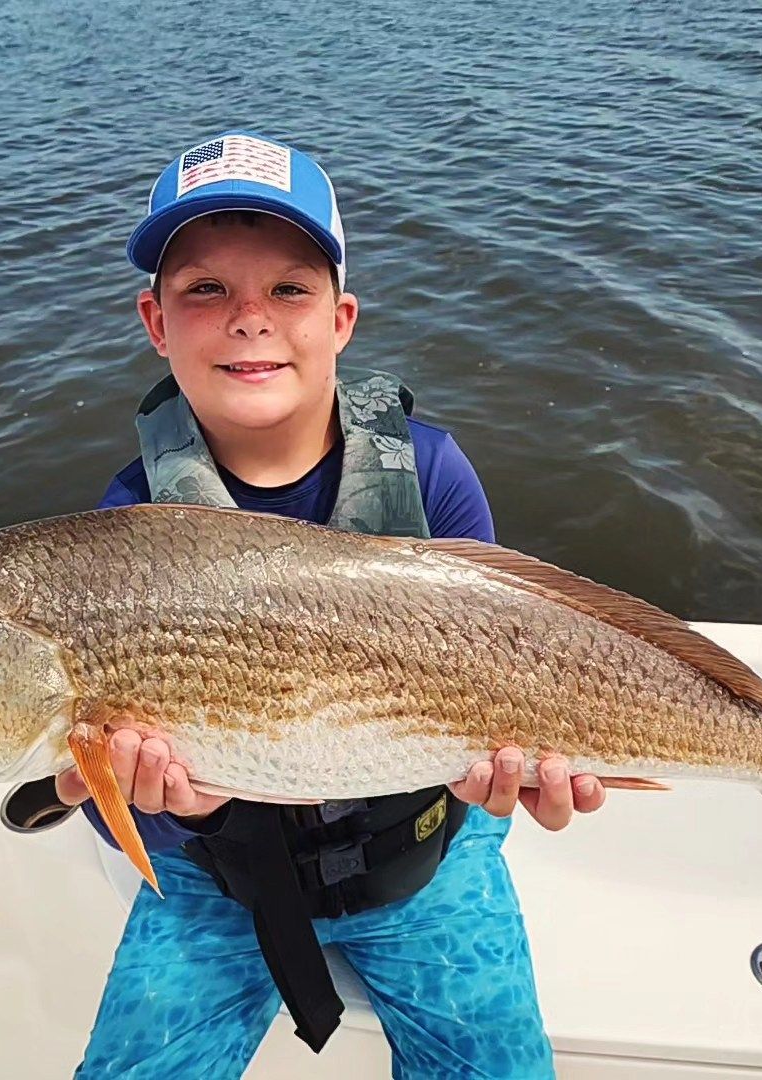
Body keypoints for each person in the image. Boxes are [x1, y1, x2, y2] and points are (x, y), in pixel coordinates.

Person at [53, 130, 607, 1080]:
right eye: (204, 291)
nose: (248, 318)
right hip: (219, 876)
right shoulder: (128, 523)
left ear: (341, 319)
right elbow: (101, 780)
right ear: (155, 321)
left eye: (288, 289)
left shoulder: (432, 472)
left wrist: (534, 771)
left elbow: (514, 653)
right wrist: (154, 808)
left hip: (424, 856)